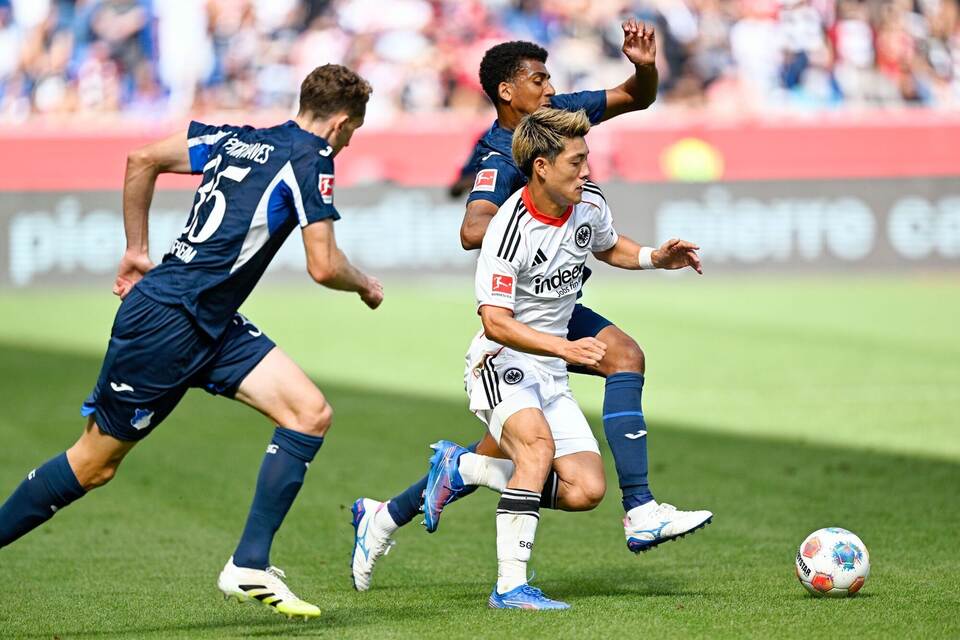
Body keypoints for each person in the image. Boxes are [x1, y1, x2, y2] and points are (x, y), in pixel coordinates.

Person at [0, 64, 382, 621]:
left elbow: (141, 159)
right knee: (94, 465)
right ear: (342, 123)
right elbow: (323, 266)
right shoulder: (312, 159)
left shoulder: (238, 138)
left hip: (212, 320)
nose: (348, 144)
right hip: (167, 323)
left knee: (308, 412)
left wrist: (136, 248)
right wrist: (365, 284)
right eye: (353, 133)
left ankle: (249, 564)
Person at [351, 20, 710, 592]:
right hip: (518, 310)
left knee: (527, 437)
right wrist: (527, 230)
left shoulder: (563, 118)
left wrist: (643, 64)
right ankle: (628, 514)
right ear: (506, 92)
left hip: (555, 305)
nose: (549, 88)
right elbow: (473, 230)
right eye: (537, 80)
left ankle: (387, 514)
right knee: (541, 440)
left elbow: (637, 96)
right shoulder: (499, 152)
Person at [469, 107, 705, 608]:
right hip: (501, 360)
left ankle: (465, 469)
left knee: (585, 491)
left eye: (586, 159)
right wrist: (565, 347)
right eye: (576, 162)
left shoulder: (587, 202)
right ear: (541, 167)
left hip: (551, 366)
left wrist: (655, 259)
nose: (587, 171)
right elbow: (495, 321)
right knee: (535, 449)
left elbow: (606, 245)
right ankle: (510, 586)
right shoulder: (509, 230)